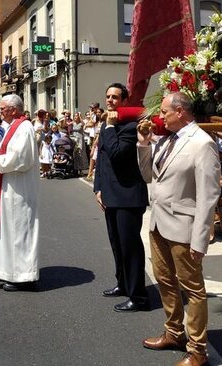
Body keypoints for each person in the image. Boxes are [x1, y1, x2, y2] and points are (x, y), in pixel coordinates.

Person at [137, 92, 220, 366]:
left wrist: (200, 239)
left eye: (164, 112)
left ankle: (198, 350)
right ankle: (174, 332)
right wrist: (144, 144)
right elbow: (149, 175)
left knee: (193, 290)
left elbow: (208, 196)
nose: (160, 117)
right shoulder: (166, 140)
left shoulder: (202, 144)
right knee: (164, 280)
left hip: (184, 228)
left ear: (181, 111)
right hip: (159, 222)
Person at [94, 83, 149, 312]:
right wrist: (98, 188)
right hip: (110, 195)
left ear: (124, 102)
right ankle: (123, 284)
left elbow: (116, 154)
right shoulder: (108, 125)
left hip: (128, 197)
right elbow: (102, 160)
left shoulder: (128, 126)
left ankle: (138, 297)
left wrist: (109, 128)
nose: (110, 101)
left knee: (130, 247)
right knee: (117, 245)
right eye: (107, 96)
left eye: (115, 97)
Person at [0, 94, 39, 291]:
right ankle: (10, 271)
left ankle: (24, 277)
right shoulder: (13, 127)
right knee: (9, 232)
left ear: (14, 110)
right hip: (10, 187)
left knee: (20, 232)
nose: (0, 111)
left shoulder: (24, 128)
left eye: (3, 108)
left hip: (19, 190)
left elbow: (21, 159)